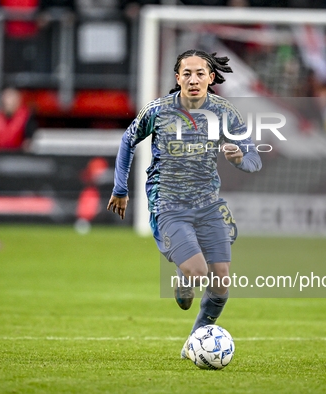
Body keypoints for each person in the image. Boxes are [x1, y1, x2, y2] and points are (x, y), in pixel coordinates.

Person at [107, 49, 262, 358]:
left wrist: (240, 159)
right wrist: (120, 188)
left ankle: (194, 342)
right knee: (197, 271)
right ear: (177, 78)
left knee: (221, 284)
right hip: (168, 203)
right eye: (186, 74)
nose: (193, 79)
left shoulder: (225, 113)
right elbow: (128, 140)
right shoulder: (158, 111)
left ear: (211, 77)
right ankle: (184, 273)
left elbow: (254, 159)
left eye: (200, 73)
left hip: (208, 204)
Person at [0, 87, 37, 151]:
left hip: (18, 156)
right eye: (6, 98)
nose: (8, 102)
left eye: (11, 98)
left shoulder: (27, 117)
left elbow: (28, 142)